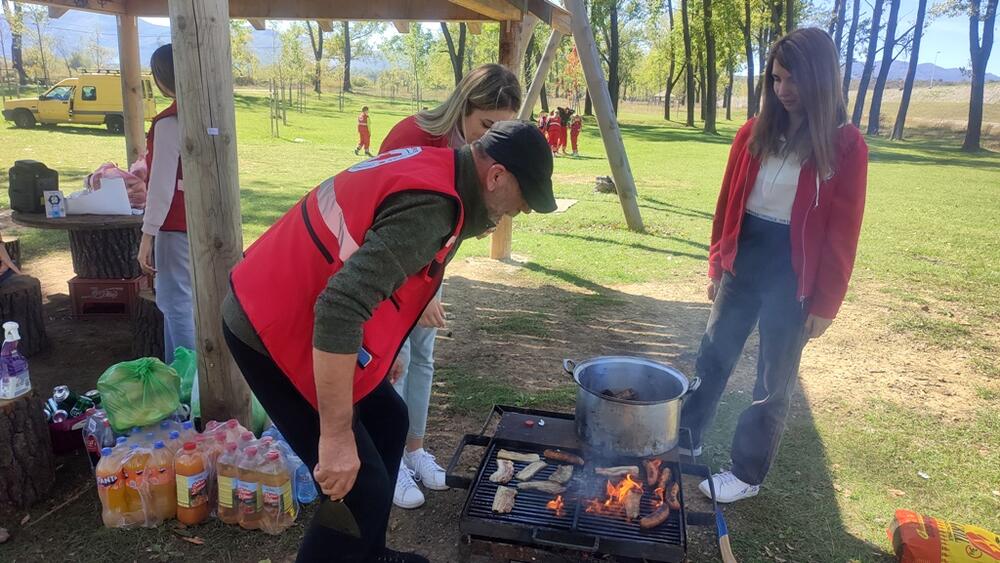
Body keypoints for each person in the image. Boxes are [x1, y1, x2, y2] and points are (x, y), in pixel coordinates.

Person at [223, 121, 556, 563]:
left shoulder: (445, 171)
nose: (518, 213)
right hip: (269, 326)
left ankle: (369, 555)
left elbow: (375, 276)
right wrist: (336, 437)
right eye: (522, 201)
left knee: (390, 419)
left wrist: (383, 352)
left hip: (300, 309)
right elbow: (340, 307)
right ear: (496, 176)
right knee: (360, 485)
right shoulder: (433, 208)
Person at [678, 28, 868, 504]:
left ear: (820, 78)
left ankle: (745, 473)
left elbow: (844, 232)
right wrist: (717, 263)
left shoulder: (845, 146)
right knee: (712, 356)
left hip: (794, 274)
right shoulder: (752, 132)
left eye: (794, 79)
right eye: (776, 78)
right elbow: (728, 205)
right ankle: (686, 439)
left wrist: (826, 302)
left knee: (772, 378)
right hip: (745, 257)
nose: (783, 89)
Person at [378, 63, 521, 510]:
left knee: (423, 357)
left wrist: (432, 288)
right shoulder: (411, 137)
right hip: (388, 272)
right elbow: (384, 224)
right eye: (485, 124)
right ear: (463, 107)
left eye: (504, 127)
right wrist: (414, 293)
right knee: (393, 363)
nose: (491, 138)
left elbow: (455, 226)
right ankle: (388, 461)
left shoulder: (477, 151)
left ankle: (414, 450)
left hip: (430, 267)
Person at [137, 44, 195, 365]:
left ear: (161, 79)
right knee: (184, 303)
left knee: (175, 303)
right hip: (204, 222)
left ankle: (191, 383)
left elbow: (162, 185)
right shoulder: (206, 113)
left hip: (175, 224)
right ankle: (179, 374)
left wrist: (148, 234)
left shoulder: (169, 122)